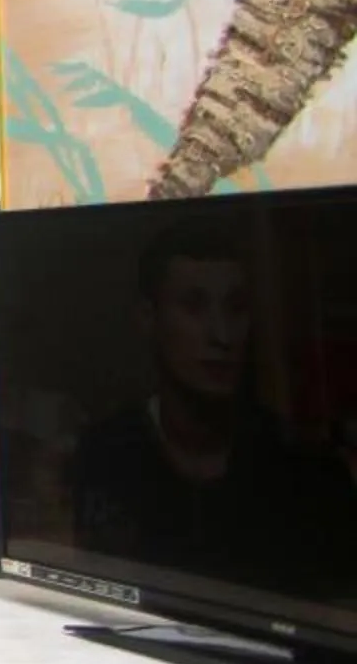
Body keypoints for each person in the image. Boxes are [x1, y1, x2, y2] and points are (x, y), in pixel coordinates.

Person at [65, 214, 357, 598]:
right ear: (149, 319)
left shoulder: (303, 466)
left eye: (236, 308)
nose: (222, 335)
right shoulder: (103, 452)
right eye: (194, 306)